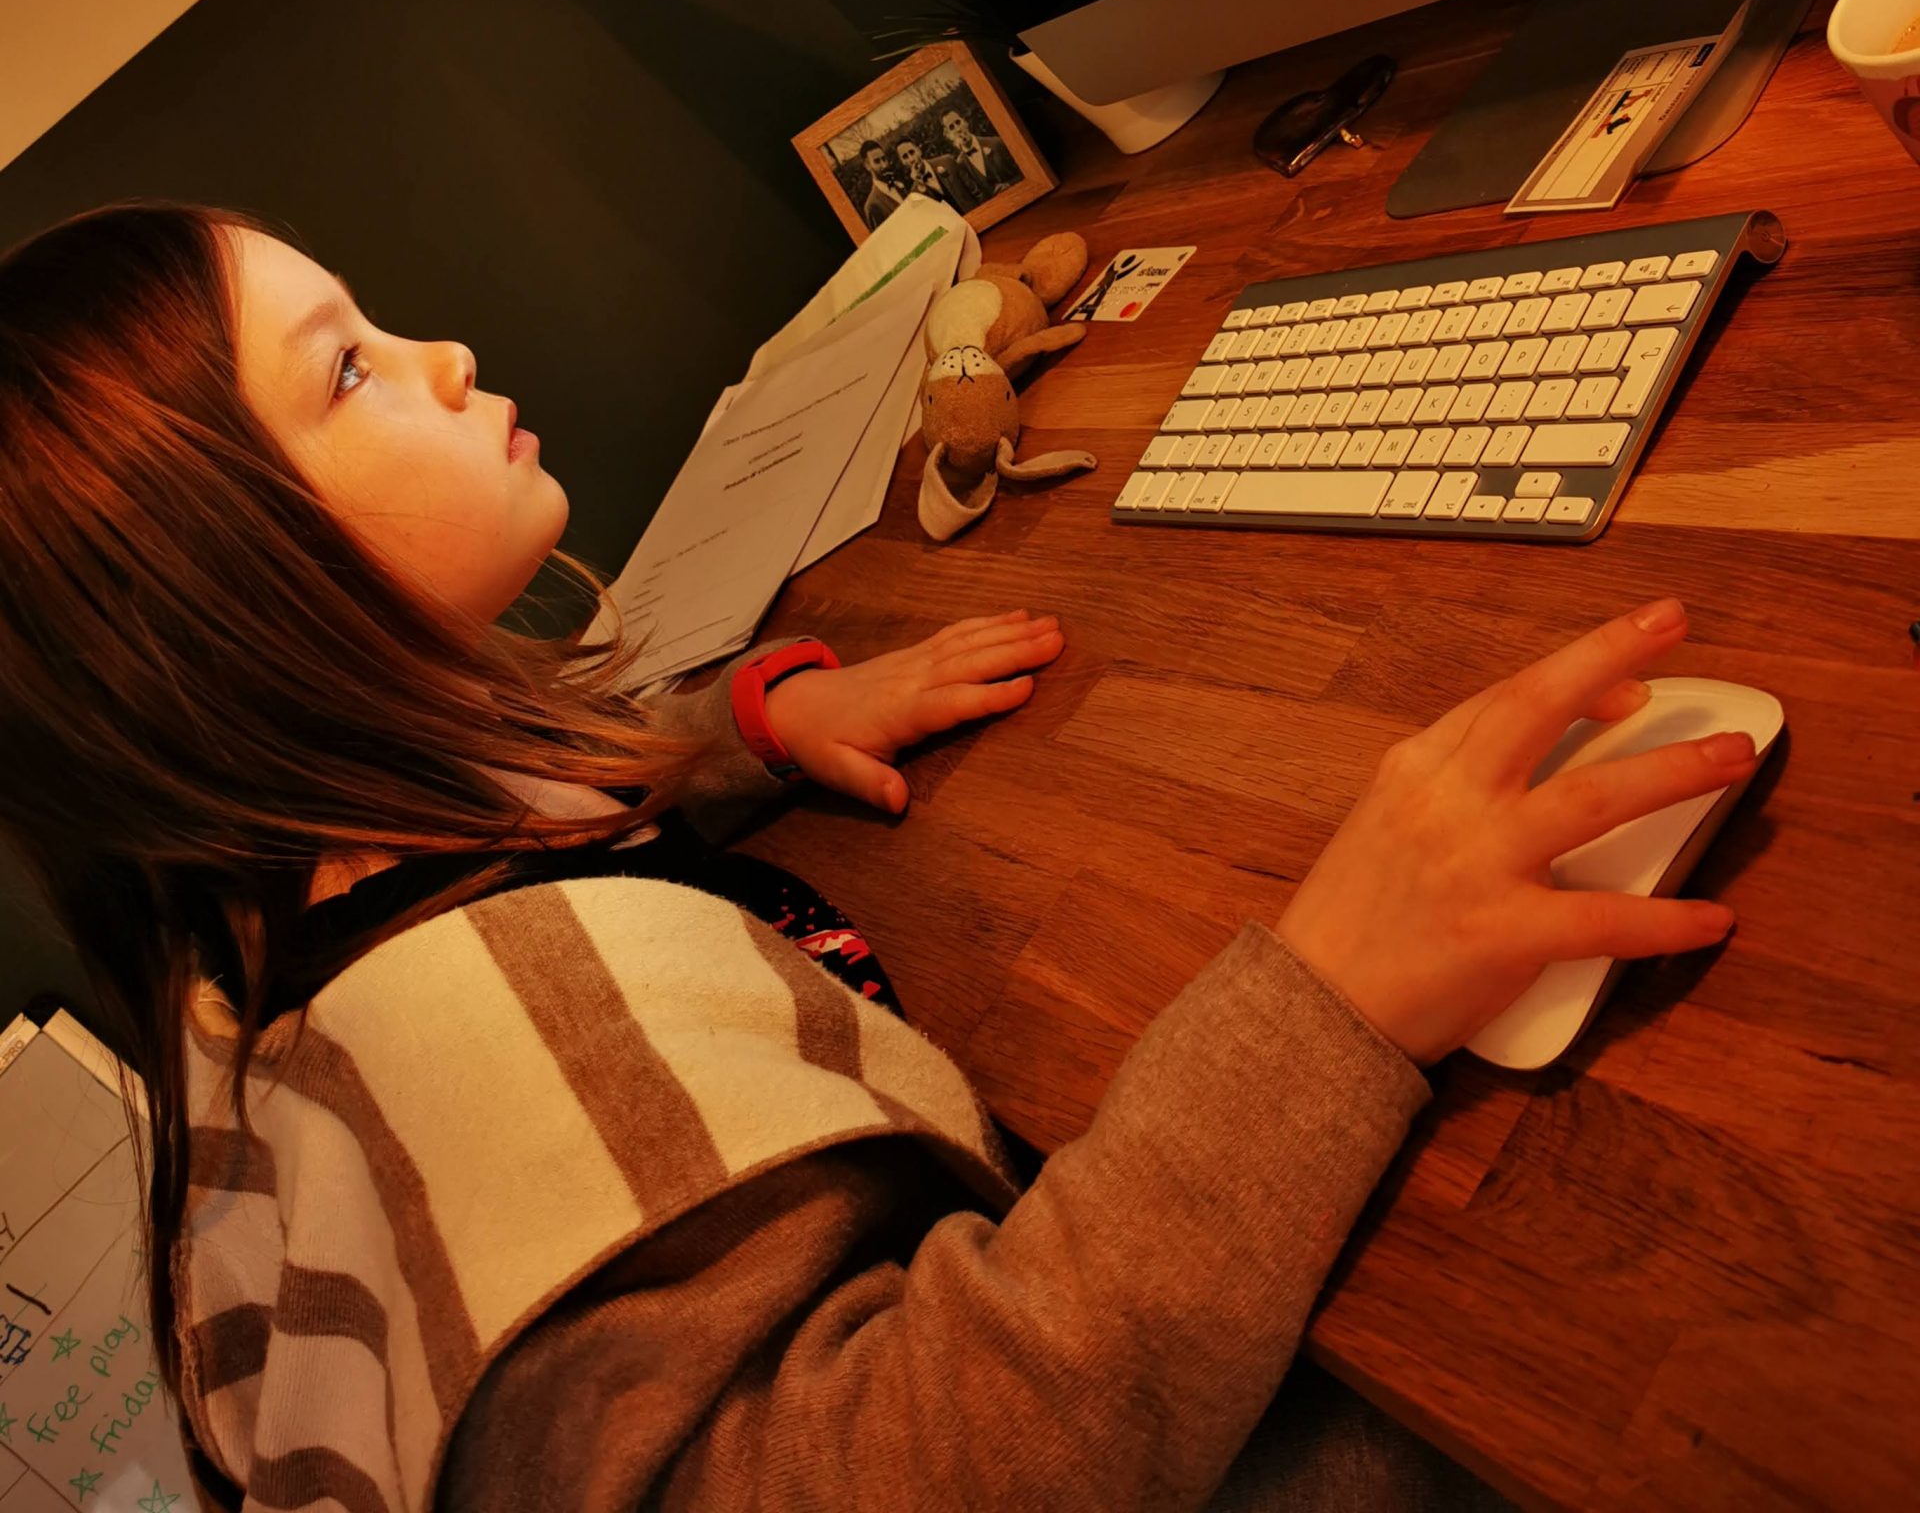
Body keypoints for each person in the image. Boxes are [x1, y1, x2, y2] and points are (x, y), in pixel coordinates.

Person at [0, 201, 1755, 1513]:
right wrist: (1338, 996)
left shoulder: (232, 953)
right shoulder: (487, 1049)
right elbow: (949, 1460)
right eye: (353, 370)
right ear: (218, 606)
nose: (444, 357)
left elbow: (483, 832)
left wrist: (739, 732)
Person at [939, 103, 1014, 207]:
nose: (958, 129)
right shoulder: (960, 164)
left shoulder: (996, 143)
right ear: (948, 135)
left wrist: (1011, 185)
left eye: (958, 122)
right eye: (951, 127)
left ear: (965, 122)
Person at [856, 136, 906, 228]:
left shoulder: (900, 186)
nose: (884, 165)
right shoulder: (872, 205)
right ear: (867, 165)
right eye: (877, 161)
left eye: (884, 159)